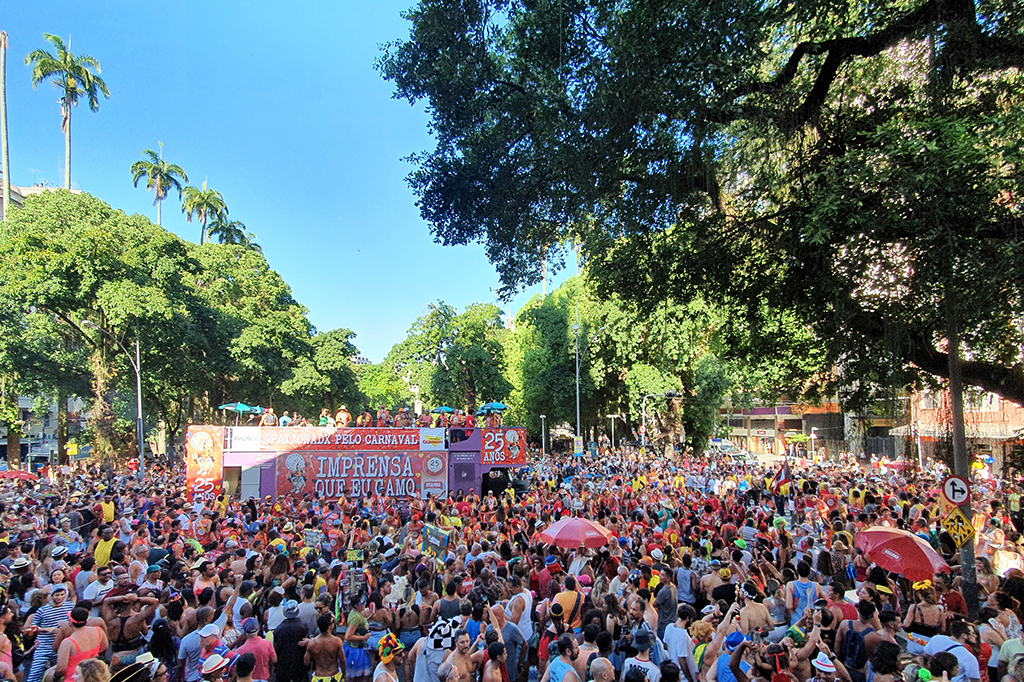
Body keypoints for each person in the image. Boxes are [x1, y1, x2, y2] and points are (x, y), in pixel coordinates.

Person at [54, 608, 108, 682]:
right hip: (92, 675)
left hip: (74, 677)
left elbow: (60, 669)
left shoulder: (68, 642)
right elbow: (105, 646)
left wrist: (55, 677)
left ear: (70, 622)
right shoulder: (98, 630)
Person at [273, 601, 309, 682]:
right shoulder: (303, 627)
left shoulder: (278, 629)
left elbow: (275, 648)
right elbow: (306, 647)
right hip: (300, 665)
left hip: (283, 665)